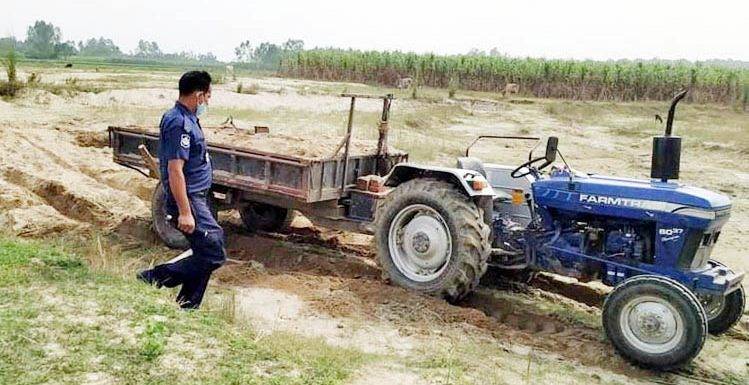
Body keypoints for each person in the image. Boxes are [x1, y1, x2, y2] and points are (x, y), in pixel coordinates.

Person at [137, 70, 226, 309]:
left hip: (196, 198)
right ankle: (153, 278)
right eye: (207, 97)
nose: (208, 102)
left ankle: (187, 306)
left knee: (205, 251)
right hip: (188, 199)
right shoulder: (178, 122)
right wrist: (185, 212)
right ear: (198, 95)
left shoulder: (186, 118)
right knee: (214, 252)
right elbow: (175, 170)